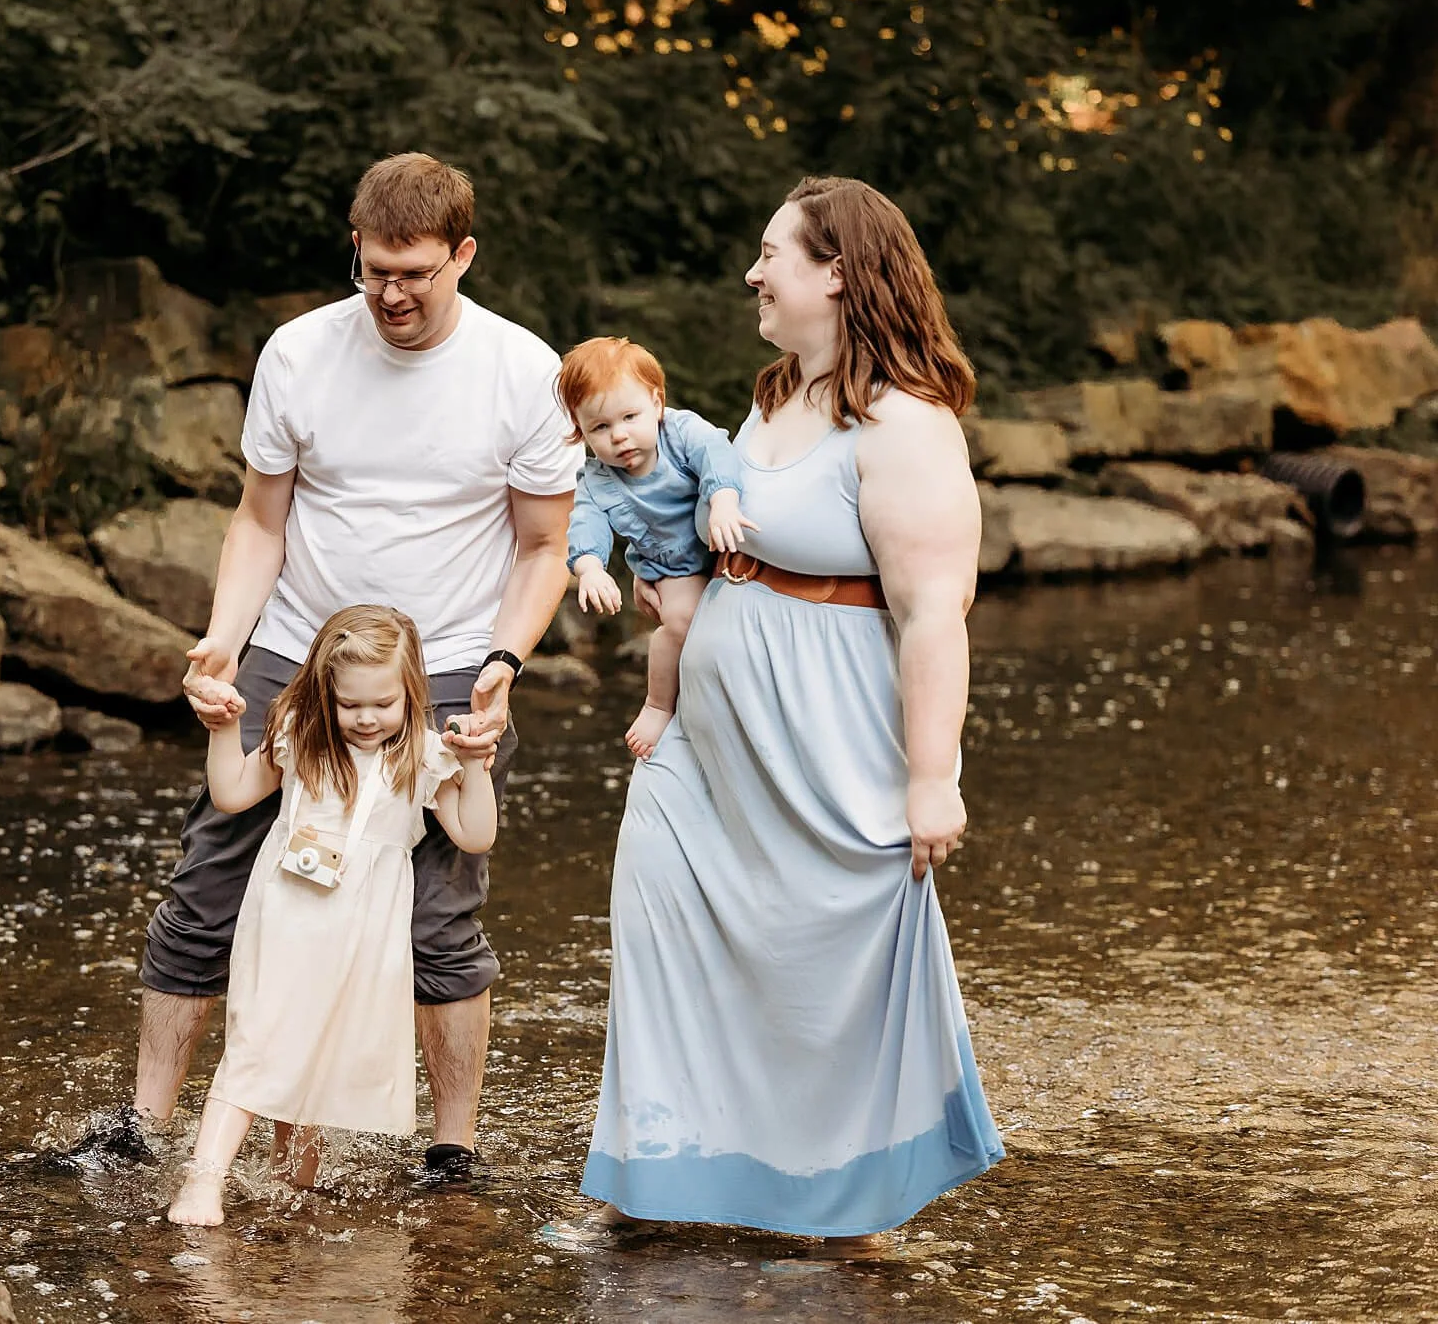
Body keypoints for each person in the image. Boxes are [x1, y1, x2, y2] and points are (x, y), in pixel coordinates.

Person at [557, 175, 1003, 1252]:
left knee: (815, 963)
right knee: (659, 922)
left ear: (838, 271)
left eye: (771, 255)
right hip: (702, 746)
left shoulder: (903, 422)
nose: (751, 273)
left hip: (824, 740)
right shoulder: (767, 398)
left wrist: (930, 775)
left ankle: (842, 1202)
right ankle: (645, 1176)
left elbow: (933, 609)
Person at [121, 152, 581, 1181]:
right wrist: (222, 638)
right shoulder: (299, 352)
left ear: (462, 254)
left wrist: (504, 660)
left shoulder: (523, 373)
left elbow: (542, 549)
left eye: (414, 271)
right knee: (208, 885)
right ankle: (141, 1127)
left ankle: (451, 1147)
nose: (390, 293)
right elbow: (257, 520)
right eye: (374, 267)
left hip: (452, 660)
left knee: (436, 915)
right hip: (297, 653)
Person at [167, 606, 499, 1226]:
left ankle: (290, 1183)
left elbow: (474, 835)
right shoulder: (299, 733)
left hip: (366, 935)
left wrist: (476, 765)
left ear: (412, 693)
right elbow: (232, 793)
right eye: (351, 706)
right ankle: (203, 1180)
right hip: (288, 917)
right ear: (326, 694)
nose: (368, 719)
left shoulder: (425, 756)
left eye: (384, 703)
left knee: (322, 1047)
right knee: (258, 1039)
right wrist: (222, 729)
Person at [559, 336, 754, 759]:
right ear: (581, 432)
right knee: (683, 621)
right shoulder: (598, 481)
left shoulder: (681, 433)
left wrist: (723, 499)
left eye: (630, 416)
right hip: (673, 569)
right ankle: (657, 703)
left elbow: (716, 452)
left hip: (721, 540)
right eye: (600, 427)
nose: (620, 436)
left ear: (657, 403)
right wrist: (590, 568)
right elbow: (586, 522)